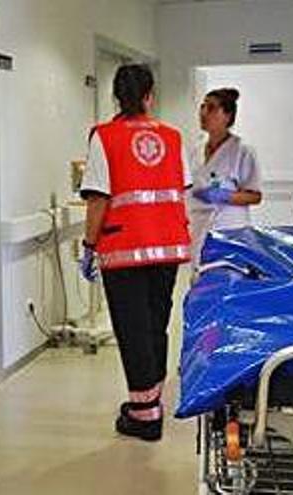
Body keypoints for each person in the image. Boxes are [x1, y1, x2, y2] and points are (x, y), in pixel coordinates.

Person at [77, 64, 192, 442]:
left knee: (132, 329)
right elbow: (181, 187)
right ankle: (152, 397)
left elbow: (98, 198)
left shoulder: (104, 137)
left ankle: (144, 415)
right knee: (155, 323)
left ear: (116, 96)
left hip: (125, 248)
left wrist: (89, 246)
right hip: (168, 246)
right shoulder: (173, 138)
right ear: (149, 96)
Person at [189, 88, 263, 266]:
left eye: (212, 108)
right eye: (203, 107)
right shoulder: (196, 150)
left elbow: (255, 195)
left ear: (227, 116)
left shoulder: (242, 151)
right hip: (199, 228)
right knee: (199, 279)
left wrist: (225, 196)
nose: (204, 113)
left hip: (229, 230)